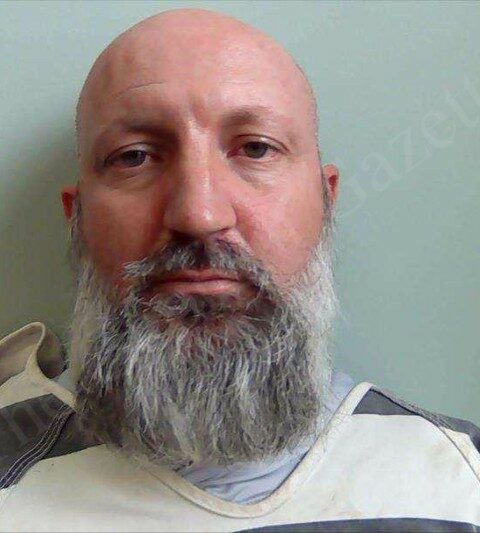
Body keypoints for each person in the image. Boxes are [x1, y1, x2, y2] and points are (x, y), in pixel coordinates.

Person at [0, 8, 478, 532]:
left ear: (326, 203)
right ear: (78, 220)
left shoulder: (460, 480)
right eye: (134, 157)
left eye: (256, 148)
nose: (199, 214)